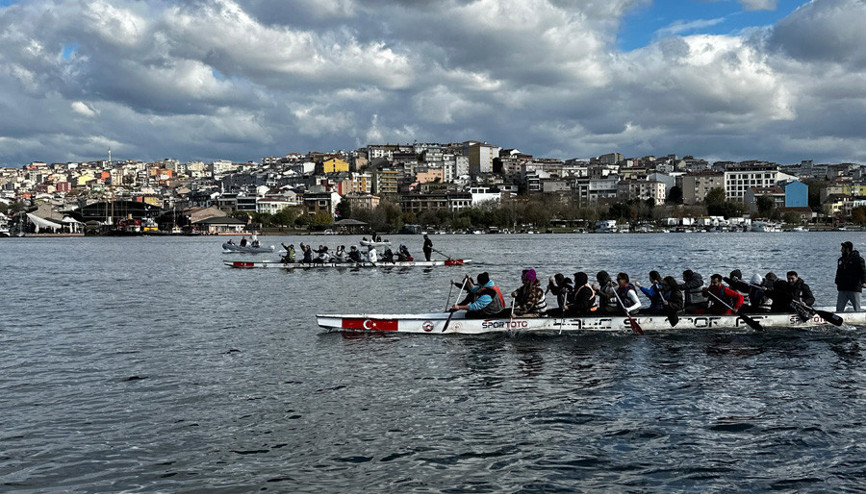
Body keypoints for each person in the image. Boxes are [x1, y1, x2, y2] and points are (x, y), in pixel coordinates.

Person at [835, 241, 866, 312]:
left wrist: (864, 282)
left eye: (842, 248)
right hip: (843, 288)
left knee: (857, 308)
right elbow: (838, 272)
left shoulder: (858, 259)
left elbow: (863, 272)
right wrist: (837, 281)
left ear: (847, 249)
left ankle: (858, 318)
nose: (841, 250)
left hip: (854, 288)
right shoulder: (841, 260)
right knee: (839, 308)